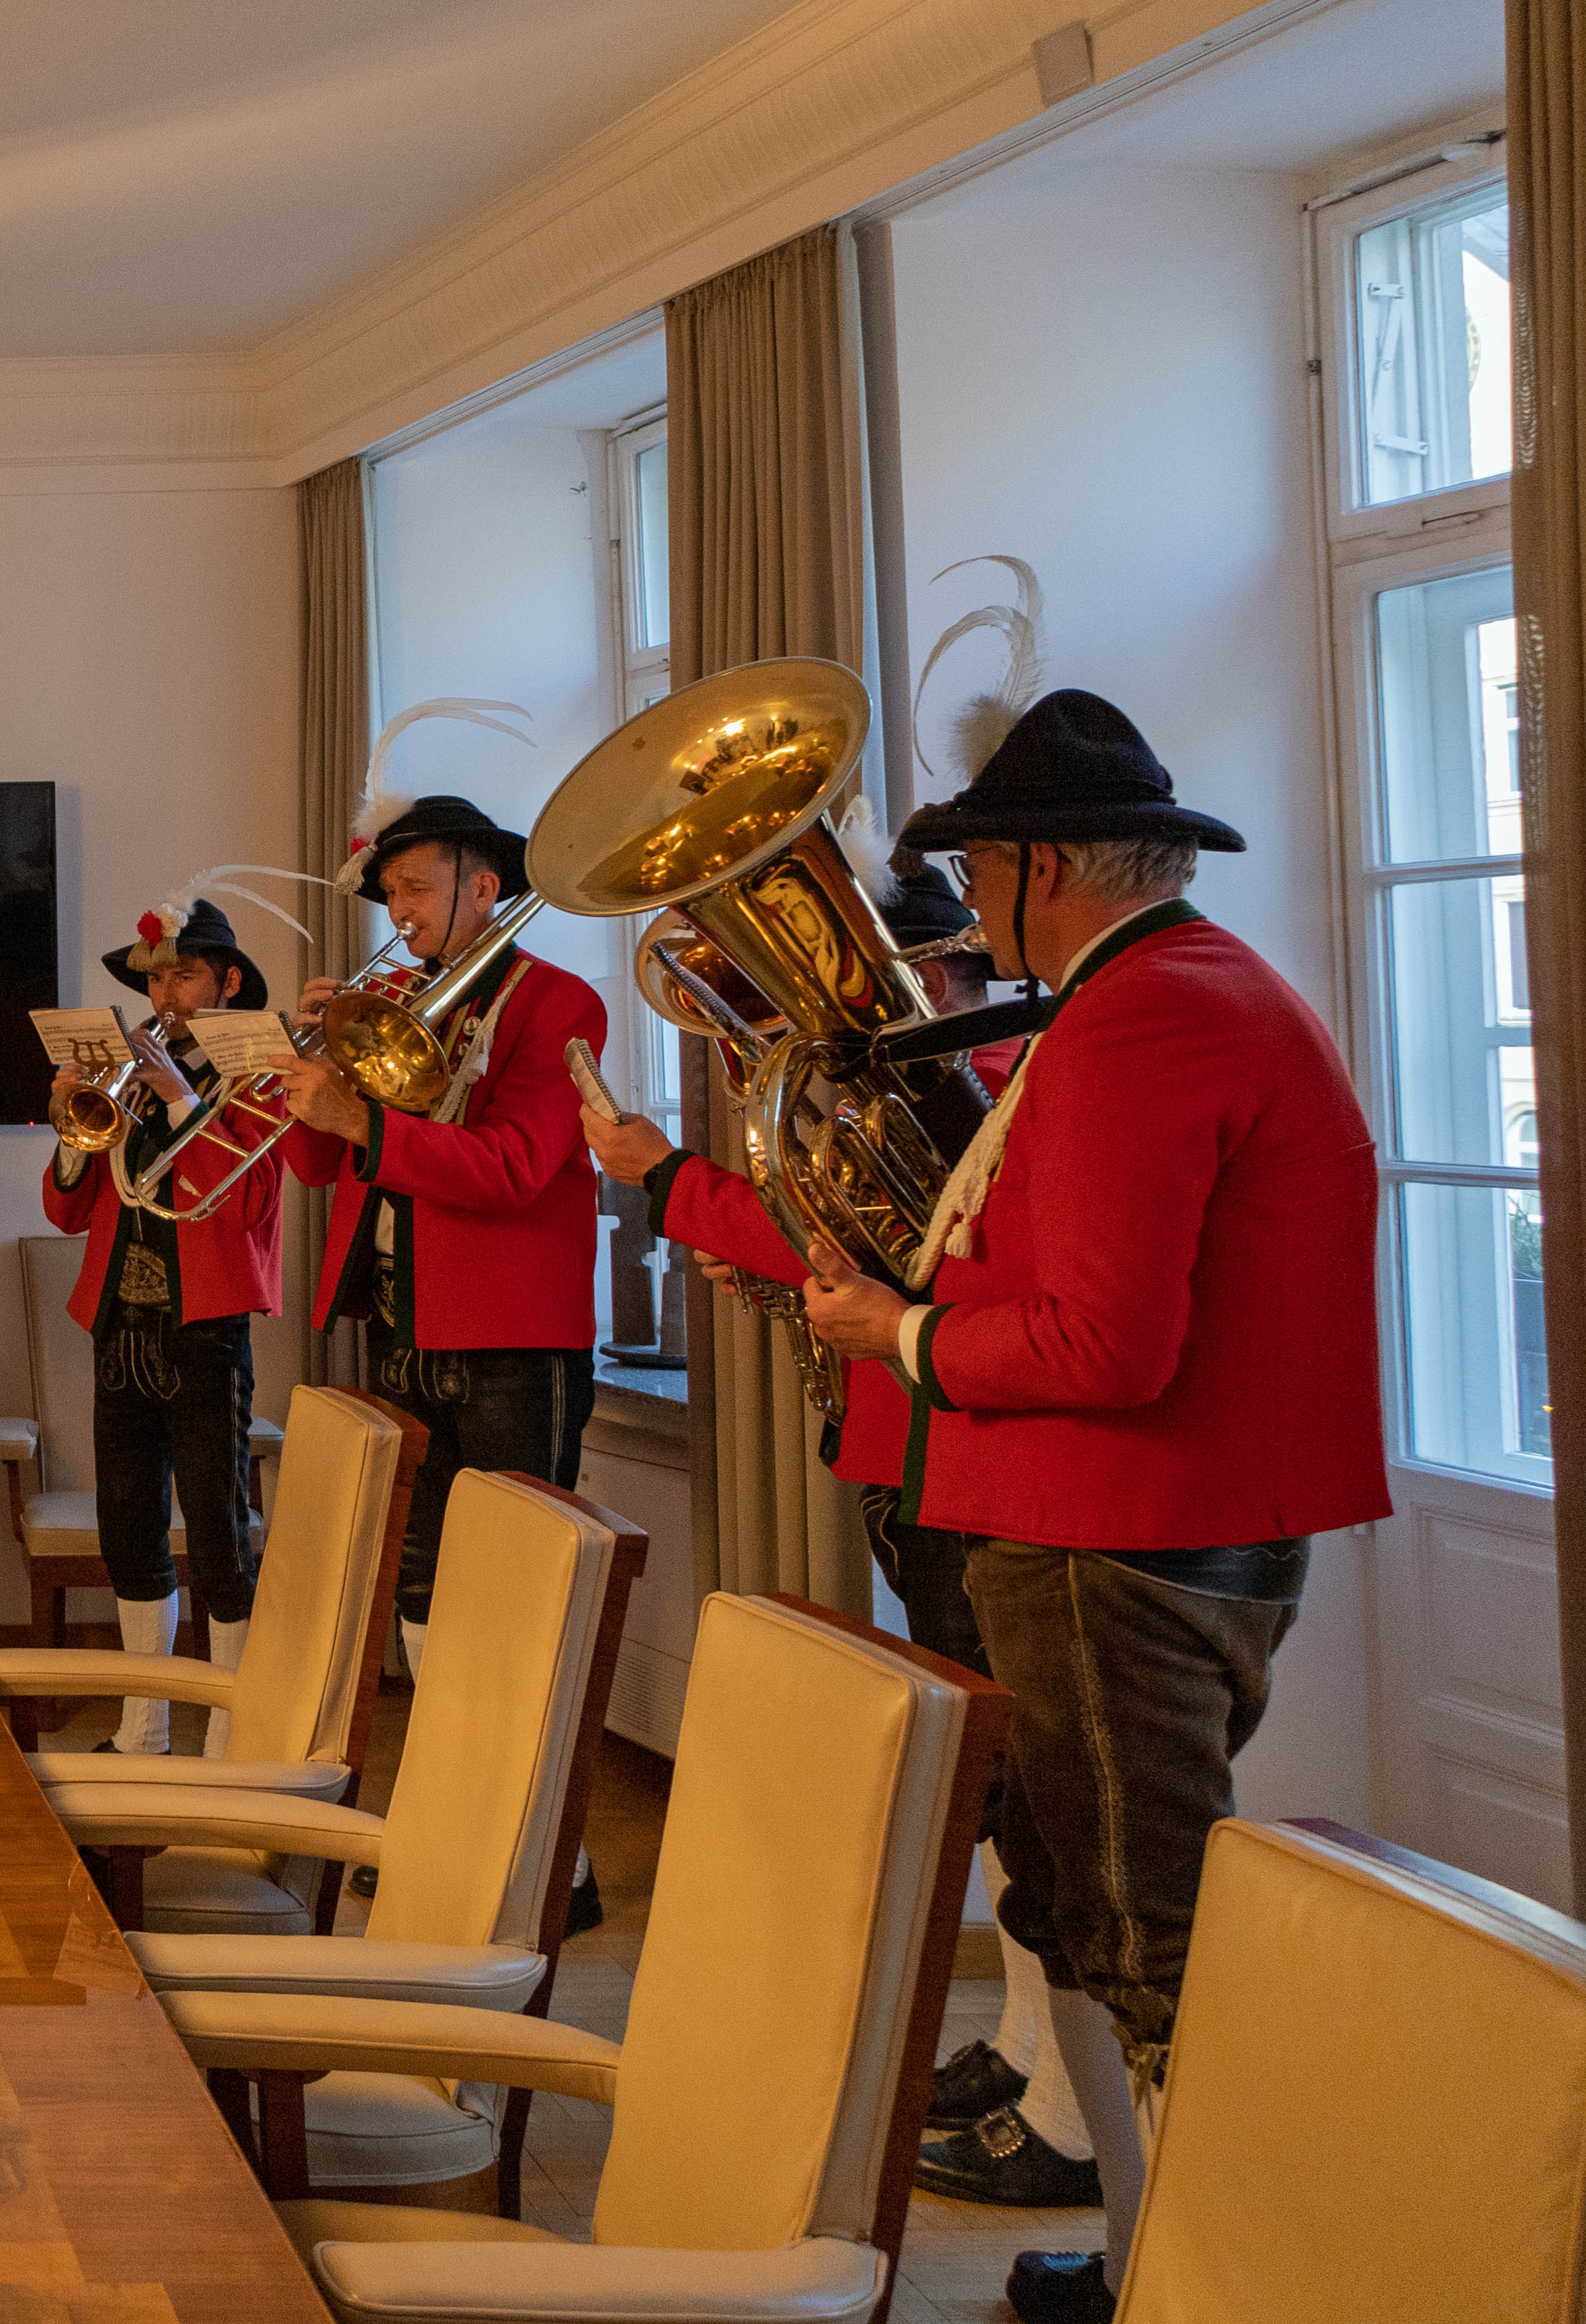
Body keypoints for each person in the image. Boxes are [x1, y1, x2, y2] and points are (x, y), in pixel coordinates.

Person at [793, 692, 1385, 2324]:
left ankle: (1227, 2282)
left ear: (1038, 864)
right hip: (1117, 1525)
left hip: (1111, 1532)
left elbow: (1103, 1347)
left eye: (979, 874)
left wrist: (892, 1334)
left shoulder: (1143, 1015)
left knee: (1156, 1954)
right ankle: (1147, 2261)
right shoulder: (1166, 990)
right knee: (1104, 1921)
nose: (970, 910)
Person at [582, 851, 1104, 2212]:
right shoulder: (918, 1093)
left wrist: (673, 1183)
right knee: (999, 1792)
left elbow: (918, 1251)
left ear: (935, 975)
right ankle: (1025, 2047)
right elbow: (849, 1251)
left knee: (1023, 1791)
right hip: (905, 1442)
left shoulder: (965, 1092)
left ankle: (1069, 2106)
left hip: (956, 1451)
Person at [273, 793, 603, 1669]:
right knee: (415, 1576)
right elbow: (316, 1170)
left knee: (512, 1577)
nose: (400, 912)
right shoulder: (382, 1000)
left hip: (510, 1337)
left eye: (415, 888)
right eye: (391, 895)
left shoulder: (558, 1002)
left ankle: (506, 1787)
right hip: (398, 1322)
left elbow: (513, 1169)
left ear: (483, 887)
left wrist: (360, 1123)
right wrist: (310, 1074)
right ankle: (435, 1769)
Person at [41, 885, 285, 1752]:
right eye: (156, 980)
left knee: (220, 1538)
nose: (166, 997)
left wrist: (184, 1099)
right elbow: (68, 1211)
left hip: (205, 1330)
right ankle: (143, 1728)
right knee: (129, 1531)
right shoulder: (128, 1077)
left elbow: (250, 1199)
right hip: (121, 1325)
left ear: (225, 982)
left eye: (184, 976)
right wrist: (76, 1126)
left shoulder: (255, 1076)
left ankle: (228, 1735)